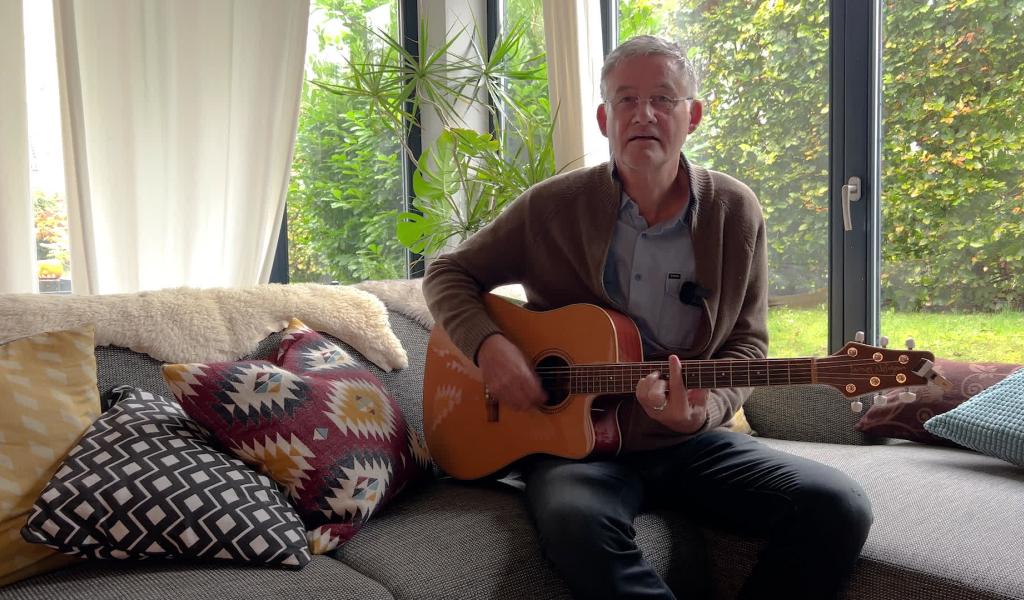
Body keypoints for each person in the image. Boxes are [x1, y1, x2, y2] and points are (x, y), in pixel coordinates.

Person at [422, 35, 872, 599]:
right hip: (577, 450)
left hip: (687, 445)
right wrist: (492, 349)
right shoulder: (550, 207)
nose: (645, 115)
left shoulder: (736, 212)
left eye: (664, 99)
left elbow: (748, 347)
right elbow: (446, 273)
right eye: (627, 100)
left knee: (839, 505)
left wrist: (702, 411)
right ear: (605, 117)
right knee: (575, 523)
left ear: (694, 115)